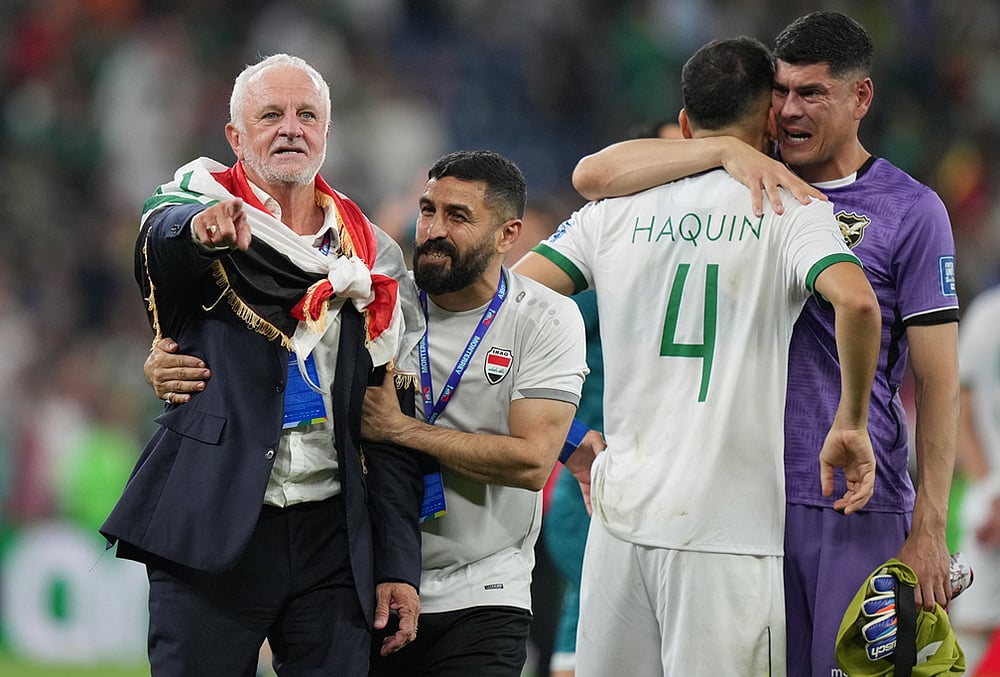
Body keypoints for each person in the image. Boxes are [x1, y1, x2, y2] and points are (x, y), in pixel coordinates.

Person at [571, 12, 961, 676]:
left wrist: (929, 531)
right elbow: (599, 172)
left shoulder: (911, 210)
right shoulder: (747, 175)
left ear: (860, 96)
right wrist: (725, 150)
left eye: (812, 93)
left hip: (851, 503)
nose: (788, 110)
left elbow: (940, 381)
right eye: (780, 93)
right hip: (745, 508)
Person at [512, 35, 882, 675]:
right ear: (771, 118)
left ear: (683, 123)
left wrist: (567, 437)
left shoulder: (612, 211)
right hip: (727, 535)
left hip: (621, 521)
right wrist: (851, 422)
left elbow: (506, 304)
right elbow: (857, 304)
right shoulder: (791, 206)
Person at [145, 149, 591, 676]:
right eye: (428, 210)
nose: (433, 230)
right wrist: (165, 359)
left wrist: (403, 430)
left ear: (508, 234)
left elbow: (531, 463)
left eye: (458, 217)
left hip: (484, 585)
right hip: (369, 578)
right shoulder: (373, 294)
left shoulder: (544, 318)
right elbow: (263, 350)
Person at [99, 53, 425, 676]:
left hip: (334, 534)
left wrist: (397, 567)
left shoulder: (373, 258)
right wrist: (197, 230)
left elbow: (391, 424)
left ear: (327, 132)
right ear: (235, 136)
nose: (291, 129)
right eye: (270, 115)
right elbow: (160, 243)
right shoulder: (205, 210)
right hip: (214, 520)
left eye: (307, 115)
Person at [950, 284, 1000, 669]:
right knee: (972, 640)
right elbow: (959, 416)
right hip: (992, 513)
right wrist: (990, 492)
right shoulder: (990, 316)